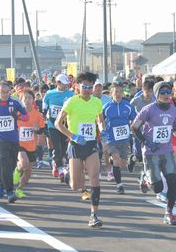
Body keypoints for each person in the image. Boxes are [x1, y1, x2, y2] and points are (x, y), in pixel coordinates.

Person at [55, 72, 105, 227]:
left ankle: (94, 215)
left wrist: (102, 130)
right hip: (76, 145)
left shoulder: (97, 102)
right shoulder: (71, 102)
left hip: (91, 145)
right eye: (85, 87)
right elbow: (58, 123)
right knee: (75, 185)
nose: (88, 90)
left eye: (90, 87)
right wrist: (73, 135)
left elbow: (100, 121)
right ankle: (67, 172)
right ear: (77, 86)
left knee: (95, 179)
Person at [131, 81, 176, 225]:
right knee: (158, 188)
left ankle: (169, 213)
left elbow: (175, 128)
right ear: (156, 94)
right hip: (150, 152)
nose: (167, 95)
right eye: (162, 92)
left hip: (167, 151)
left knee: (173, 182)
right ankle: (146, 178)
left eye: (169, 92)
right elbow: (134, 127)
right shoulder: (148, 110)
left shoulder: (173, 110)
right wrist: (145, 141)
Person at [0, 80, 28, 203]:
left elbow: (26, 117)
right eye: (2, 92)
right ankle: (9, 191)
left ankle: (0, 181)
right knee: (3, 161)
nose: (4, 94)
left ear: (10, 91)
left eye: (7, 92)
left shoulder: (15, 102)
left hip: (14, 138)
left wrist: (17, 116)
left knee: (11, 164)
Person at [101, 81, 137, 194]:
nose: (118, 94)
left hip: (124, 139)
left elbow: (134, 120)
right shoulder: (106, 107)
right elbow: (100, 121)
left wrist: (134, 130)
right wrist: (103, 136)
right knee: (117, 159)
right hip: (111, 139)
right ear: (111, 93)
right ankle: (119, 185)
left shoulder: (128, 106)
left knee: (122, 163)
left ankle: (115, 161)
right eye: (116, 92)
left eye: (121, 92)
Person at [14, 89, 46, 199]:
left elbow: (42, 130)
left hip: (31, 145)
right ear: (21, 100)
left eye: (29, 98)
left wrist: (36, 130)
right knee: (24, 163)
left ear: (33, 100)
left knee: (28, 172)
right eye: (25, 98)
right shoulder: (17, 113)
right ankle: (18, 170)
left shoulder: (37, 115)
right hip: (19, 143)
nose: (27, 100)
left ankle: (19, 189)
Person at [42, 74, 74, 179]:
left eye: (66, 84)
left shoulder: (71, 94)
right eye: (63, 84)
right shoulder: (50, 93)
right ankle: (60, 167)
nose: (65, 86)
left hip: (65, 125)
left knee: (63, 148)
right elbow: (45, 107)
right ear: (57, 83)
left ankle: (56, 162)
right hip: (52, 124)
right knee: (57, 146)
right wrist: (43, 117)